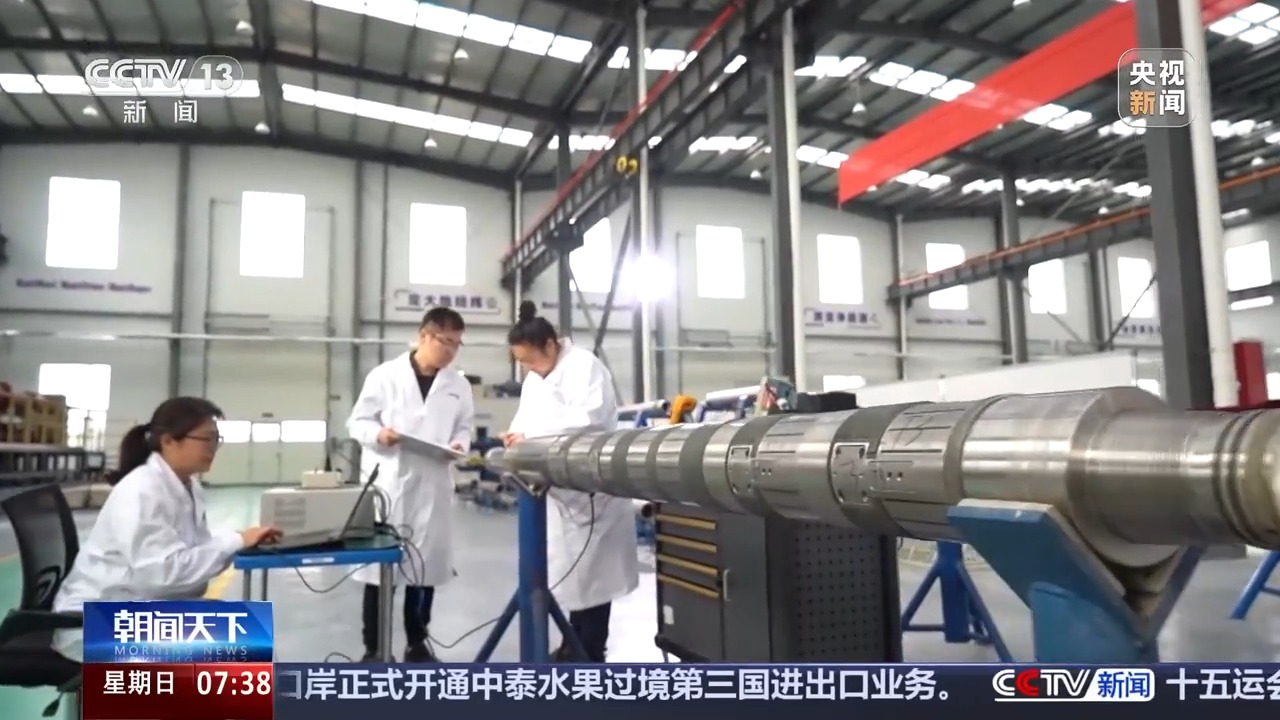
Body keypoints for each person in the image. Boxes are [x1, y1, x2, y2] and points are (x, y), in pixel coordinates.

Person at [52, 397, 280, 661]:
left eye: (216, 439)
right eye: (206, 438)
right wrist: (236, 540)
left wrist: (242, 541)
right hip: (96, 622)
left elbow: (190, 557)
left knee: (247, 632)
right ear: (169, 441)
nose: (213, 447)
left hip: (141, 607)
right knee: (245, 642)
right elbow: (163, 574)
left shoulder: (188, 486)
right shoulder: (141, 491)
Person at [501, 300, 639, 663]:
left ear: (550, 345)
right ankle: (569, 645)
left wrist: (531, 436)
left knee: (595, 578)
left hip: (592, 489)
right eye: (522, 363)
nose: (527, 368)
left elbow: (589, 419)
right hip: (559, 491)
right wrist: (515, 436)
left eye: (529, 359)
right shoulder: (535, 379)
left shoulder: (584, 366)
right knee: (573, 576)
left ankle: (590, 652)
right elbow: (524, 421)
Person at [347, 306, 475, 662]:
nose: (450, 351)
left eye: (457, 344)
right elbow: (358, 422)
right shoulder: (384, 376)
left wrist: (459, 444)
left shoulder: (458, 384)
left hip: (433, 483)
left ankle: (417, 644)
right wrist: (379, 434)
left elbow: (464, 426)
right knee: (380, 573)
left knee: (424, 570)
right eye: (445, 341)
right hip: (390, 484)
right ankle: (374, 649)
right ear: (423, 336)